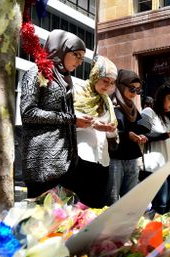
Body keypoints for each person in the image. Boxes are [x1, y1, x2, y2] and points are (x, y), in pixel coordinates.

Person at [21, 29, 89, 198]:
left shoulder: (65, 78)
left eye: (82, 57)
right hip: (42, 162)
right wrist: (71, 119)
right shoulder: (36, 72)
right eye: (77, 55)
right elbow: (28, 113)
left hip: (65, 161)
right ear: (62, 50)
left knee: (64, 220)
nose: (80, 62)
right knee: (40, 221)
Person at [72, 55, 118, 207]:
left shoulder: (106, 101)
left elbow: (112, 134)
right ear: (95, 74)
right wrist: (93, 124)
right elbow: (69, 120)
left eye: (111, 83)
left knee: (97, 206)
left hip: (102, 159)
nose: (107, 86)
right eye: (105, 80)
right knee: (78, 208)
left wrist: (110, 129)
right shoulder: (77, 91)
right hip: (81, 157)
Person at [140, 83, 170, 214]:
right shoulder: (148, 112)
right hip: (154, 166)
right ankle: (149, 232)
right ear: (161, 97)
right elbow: (142, 135)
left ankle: (159, 233)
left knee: (163, 207)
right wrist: (165, 135)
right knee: (158, 205)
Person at [106, 69, 148, 204]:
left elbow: (138, 128)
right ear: (121, 85)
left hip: (132, 158)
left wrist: (142, 136)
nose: (134, 93)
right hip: (115, 157)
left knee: (129, 201)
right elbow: (109, 130)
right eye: (131, 88)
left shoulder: (133, 109)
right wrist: (127, 135)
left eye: (138, 90)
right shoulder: (111, 105)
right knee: (112, 199)